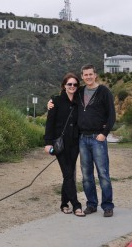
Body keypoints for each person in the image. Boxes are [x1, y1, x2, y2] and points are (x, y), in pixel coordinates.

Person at [48, 64, 116, 217]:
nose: (88, 77)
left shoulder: (104, 91)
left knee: (103, 174)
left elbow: (111, 115)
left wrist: (104, 133)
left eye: (90, 74)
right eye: (85, 75)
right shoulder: (80, 92)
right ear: (83, 77)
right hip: (82, 139)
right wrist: (51, 103)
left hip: (98, 138)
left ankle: (107, 206)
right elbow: (65, 95)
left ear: (95, 75)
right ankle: (91, 204)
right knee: (86, 176)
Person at [44, 72, 85, 217]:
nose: (72, 86)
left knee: (68, 174)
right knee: (68, 173)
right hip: (59, 144)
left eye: (75, 84)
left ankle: (63, 204)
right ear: (64, 86)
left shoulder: (80, 101)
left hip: (75, 143)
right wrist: (48, 143)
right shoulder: (55, 101)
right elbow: (50, 123)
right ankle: (76, 205)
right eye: (69, 84)